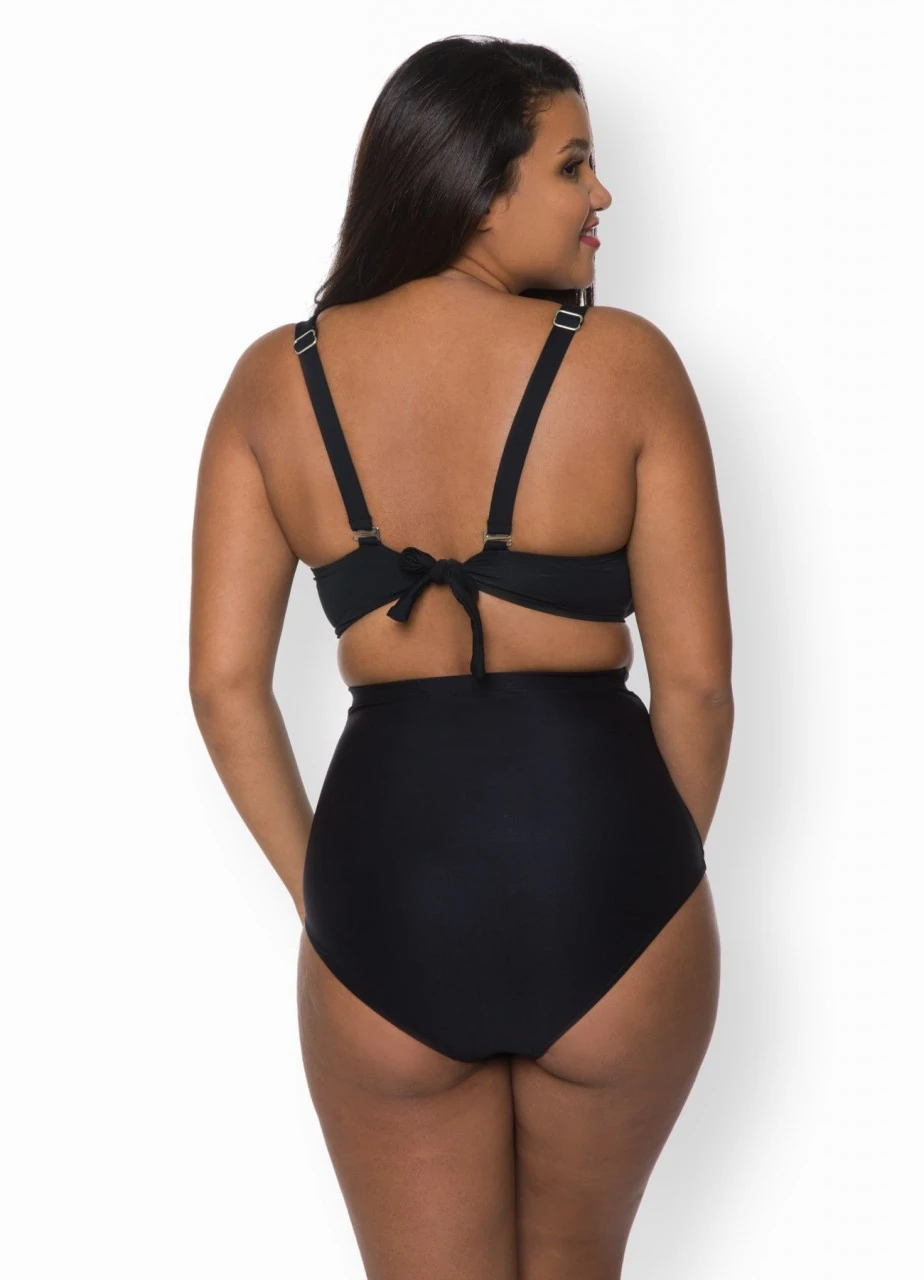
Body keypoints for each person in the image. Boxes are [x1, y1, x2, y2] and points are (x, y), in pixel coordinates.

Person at [189, 34, 733, 1280]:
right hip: (610, 877)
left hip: (385, 888)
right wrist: (653, 872)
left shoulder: (275, 382)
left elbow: (223, 687)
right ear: (480, 187)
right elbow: (700, 684)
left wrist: (326, 891)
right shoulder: (628, 364)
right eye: (573, 164)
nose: (601, 193)